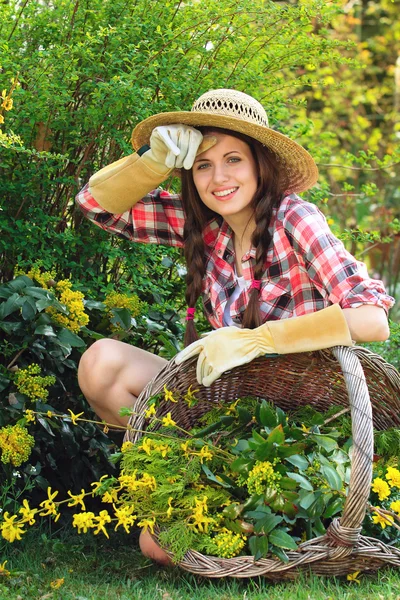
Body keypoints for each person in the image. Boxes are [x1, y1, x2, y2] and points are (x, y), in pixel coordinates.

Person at [76, 89, 394, 561]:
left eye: (233, 160)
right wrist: (153, 161)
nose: (218, 177)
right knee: (102, 363)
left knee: (158, 549)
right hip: (227, 411)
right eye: (202, 164)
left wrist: (260, 339)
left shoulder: (294, 218)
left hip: (301, 428)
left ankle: (257, 529)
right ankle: (168, 486)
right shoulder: (204, 226)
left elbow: (372, 318)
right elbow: (96, 206)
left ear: (259, 165)